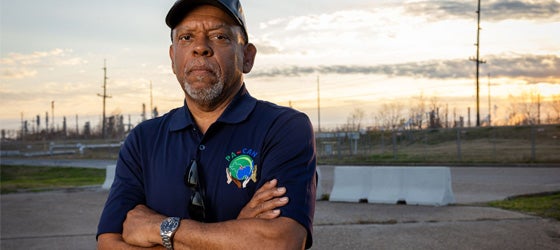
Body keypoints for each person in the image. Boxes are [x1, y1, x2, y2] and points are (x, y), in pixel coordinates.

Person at [96, 0, 317, 249]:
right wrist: (237, 233)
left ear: (247, 57)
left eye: (220, 36)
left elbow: (281, 241)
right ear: (172, 58)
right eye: (186, 37)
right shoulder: (142, 141)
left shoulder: (284, 128)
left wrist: (159, 228)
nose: (200, 47)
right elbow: (109, 243)